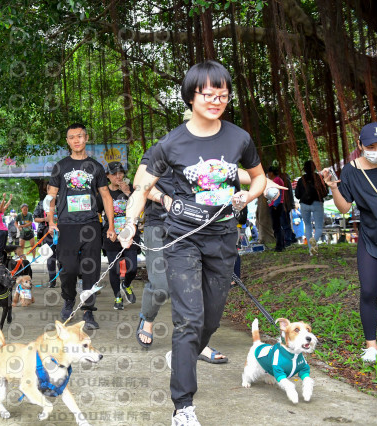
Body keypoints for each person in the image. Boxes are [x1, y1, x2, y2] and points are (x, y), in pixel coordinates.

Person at [120, 60, 265, 424]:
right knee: (189, 319)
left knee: (210, 320)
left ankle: (182, 356)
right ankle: (183, 406)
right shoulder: (171, 143)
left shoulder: (239, 138)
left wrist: (247, 196)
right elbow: (141, 187)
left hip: (223, 238)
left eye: (223, 95)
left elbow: (258, 177)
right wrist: (129, 222)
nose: (216, 101)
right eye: (208, 94)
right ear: (190, 96)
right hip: (182, 239)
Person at [47, 123, 116, 330]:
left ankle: (88, 311)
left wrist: (111, 226)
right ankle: (69, 299)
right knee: (68, 268)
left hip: (91, 224)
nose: (76, 140)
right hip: (67, 225)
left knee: (90, 269)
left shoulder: (96, 167)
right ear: (67, 141)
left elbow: (106, 197)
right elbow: (51, 197)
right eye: (71, 137)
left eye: (79, 136)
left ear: (86, 138)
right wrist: (51, 221)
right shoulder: (60, 166)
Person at [321, 122, 377, 363]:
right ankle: (371, 346)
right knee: (369, 290)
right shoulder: (350, 171)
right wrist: (333, 188)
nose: (376, 151)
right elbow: (345, 208)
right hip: (370, 238)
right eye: (371, 146)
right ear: (360, 145)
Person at [101, 161, 137, 310]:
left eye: (120, 173)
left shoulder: (131, 190)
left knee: (132, 267)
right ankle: (117, 297)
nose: (118, 176)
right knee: (114, 268)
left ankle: (126, 284)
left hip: (130, 234)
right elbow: (97, 212)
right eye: (114, 174)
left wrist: (128, 193)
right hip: (112, 235)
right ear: (108, 176)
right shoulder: (104, 193)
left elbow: (140, 207)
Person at [295, 160, 327, 255]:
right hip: (317, 203)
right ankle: (315, 240)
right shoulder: (319, 178)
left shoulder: (301, 180)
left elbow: (297, 195)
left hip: (304, 204)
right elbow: (325, 192)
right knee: (319, 227)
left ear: (304, 169)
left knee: (308, 226)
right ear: (314, 168)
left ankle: (311, 250)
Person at [33, 182, 59, 287]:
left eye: (55, 189)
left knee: (62, 257)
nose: (52, 191)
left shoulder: (62, 202)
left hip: (62, 232)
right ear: (46, 191)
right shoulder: (41, 204)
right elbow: (35, 218)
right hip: (47, 232)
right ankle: (52, 281)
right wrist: (45, 219)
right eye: (49, 189)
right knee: (50, 258)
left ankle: (65, 280)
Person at [267, 166, 286, 252]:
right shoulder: (277, 180)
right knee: (278, 225)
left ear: (271, 173)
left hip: (276, 205)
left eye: (268, 172)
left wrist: (275, 205)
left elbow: (278, 193)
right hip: (275, 204)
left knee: (277, 226)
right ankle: (281, 244)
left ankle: (279, 246)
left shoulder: (277, 180)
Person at [0, 194, 12, 264]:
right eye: (2, 206)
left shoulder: (2, 212)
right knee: (1, 246)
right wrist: (4, 198)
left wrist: (10, 198)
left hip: (5, 230)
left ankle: (3, 259)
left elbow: (6, 205)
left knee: (4, 246)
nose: (3, 207)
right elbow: (2, 206)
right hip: (0, 231)